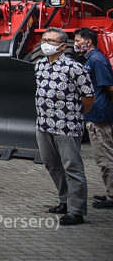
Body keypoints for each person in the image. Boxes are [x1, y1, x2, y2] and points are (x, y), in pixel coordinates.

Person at [34, 27, 94, 226]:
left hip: (67, 126)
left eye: (51, 41)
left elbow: (88, 96)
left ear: (61, 45)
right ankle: (64, 201)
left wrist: (75, 114)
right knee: (52, 164)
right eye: (44, 39)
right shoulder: (40, 65)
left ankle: (77, 211)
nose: (45, 44)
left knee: (73, 168)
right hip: (43, 124)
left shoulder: (74, 68)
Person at [74, 28, 113, 210]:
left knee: (106, 157)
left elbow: (109, 87)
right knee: (102, 157)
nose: (75, 44)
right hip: (95, 115)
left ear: (88, 42)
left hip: (100, 117)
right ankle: (109, 192)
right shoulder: (90, 60)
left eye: (77, 41)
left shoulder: (96, 60)